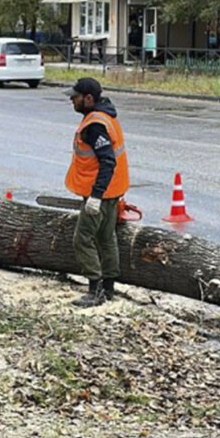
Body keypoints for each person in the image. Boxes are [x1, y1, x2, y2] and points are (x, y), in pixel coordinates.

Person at [64, 77, 130, 307]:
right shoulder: (105, 114)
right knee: (106, 237)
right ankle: (109, 288)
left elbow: (107, 161)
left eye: (75, 96)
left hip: (100, 192)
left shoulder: (95, 125)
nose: (72, 100)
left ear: (88, 98)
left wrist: (95, 196)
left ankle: (95, 289)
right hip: (111, 191)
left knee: (82, 238)